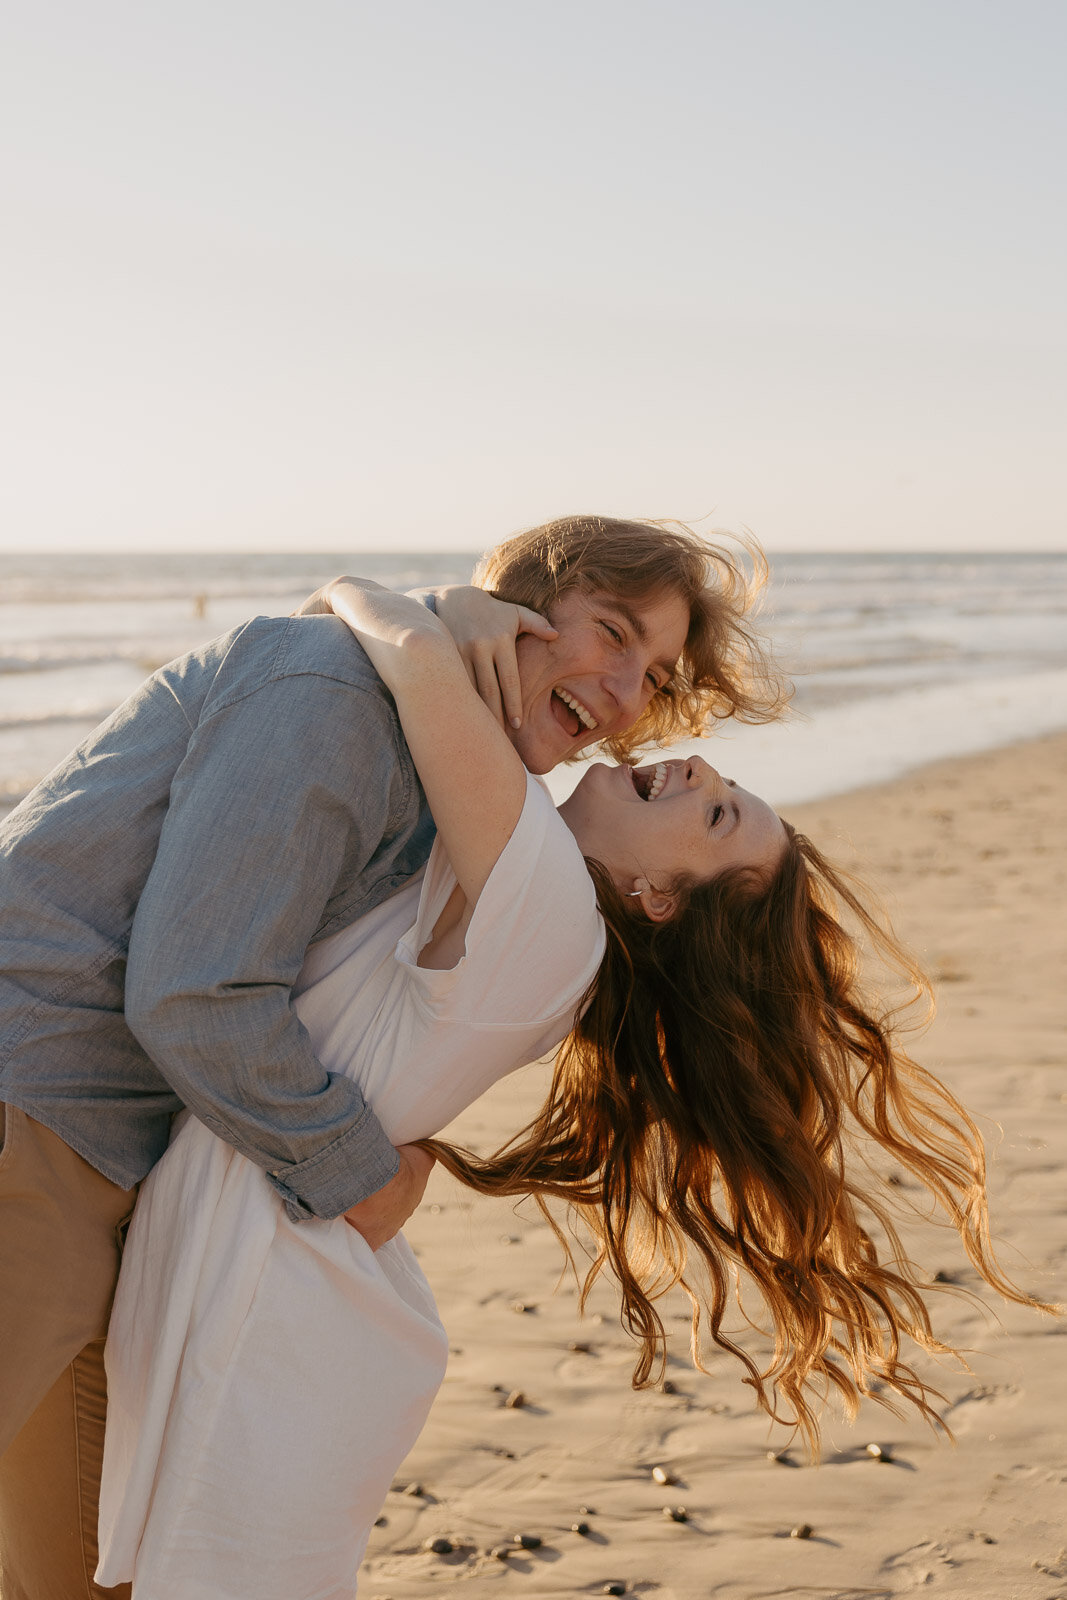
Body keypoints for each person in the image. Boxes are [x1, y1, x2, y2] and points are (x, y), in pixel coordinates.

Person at [96, 575, 1042, 1598]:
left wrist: (360, 593)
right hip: (280, 1256)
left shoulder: (546, 901)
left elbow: (416, 663)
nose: (693, 762)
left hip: (270, 1297)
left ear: (657, 898)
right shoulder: (532, 910)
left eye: (718, 813)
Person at [0, 515, 783, 1600]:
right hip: (34, 1117)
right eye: (611, 632)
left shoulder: (464, 796)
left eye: (649, 673)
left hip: (104, 1167)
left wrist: (383, 606)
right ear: (516, 605)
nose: (625, 693)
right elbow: (197, 993)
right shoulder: (340, 699)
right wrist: (359, 1171)